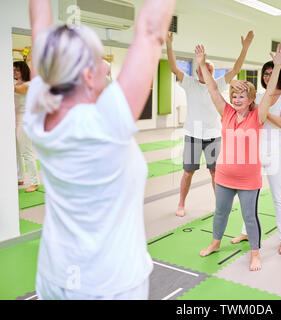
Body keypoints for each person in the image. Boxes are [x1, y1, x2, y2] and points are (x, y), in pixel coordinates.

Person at [24, 0, 174, 299]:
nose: (108, 65)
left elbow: (39, 19)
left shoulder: (37, 110)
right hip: (110, 286)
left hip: (55, 278)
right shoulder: (106, 123)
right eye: (100, 60)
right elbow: (150, 29)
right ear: (88, 77)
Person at [197, 42, 281, 271]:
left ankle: (255, 254)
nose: (237, 100)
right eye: (234, 96)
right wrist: (201, 64)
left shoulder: (257, 116)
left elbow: (268, 94)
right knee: (220, 212)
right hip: (225, 175)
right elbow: (213, 90)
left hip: (249, 179)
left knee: (250, 217)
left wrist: (277, 67)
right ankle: (215, 243)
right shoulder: (226, 113)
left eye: (241, 96)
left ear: (250, 99)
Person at [165, 31, 254, 217]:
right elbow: (174, 67)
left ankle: (219, 206)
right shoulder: (189, 83)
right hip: (193, 135)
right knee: (188, 172)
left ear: (212, 72)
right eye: (203, 69)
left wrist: (245, 48)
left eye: (211, 70)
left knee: (216, 173)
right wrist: (169, 44)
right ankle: (181, 204)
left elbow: (236, 69)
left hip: (214, 135)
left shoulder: (218, 84)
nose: (207, 72)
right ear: (197, 71)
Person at [231, 60, 281, 255]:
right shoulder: (257, 96)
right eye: (265, 74)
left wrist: (263, 110)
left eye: (272, 73)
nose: (268, 77)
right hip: (255, 151)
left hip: (277, 153)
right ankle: (245, 231)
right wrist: (237, 87)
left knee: (278, 197)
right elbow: (241, 108)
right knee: (249, 196)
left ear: (280, 75)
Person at [13, 60, 40, 192]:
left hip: (24, 121)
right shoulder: (14, 84)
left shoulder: (28, 85)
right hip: (14, 121)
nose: (14, 72)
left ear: (23, 70)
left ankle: (35, 182)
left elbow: (17, 89)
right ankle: (20, 178)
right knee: (16, 152)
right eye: (13, 70)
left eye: (16, 70)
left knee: (27, 153)